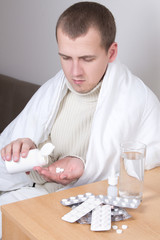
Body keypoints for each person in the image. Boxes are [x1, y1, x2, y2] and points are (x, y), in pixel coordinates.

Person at [0, 1, 160, 238]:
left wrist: (85, 167)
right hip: (30, 194)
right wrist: (24, 150)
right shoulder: (53, 88)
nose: (74, 72)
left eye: (86, 59)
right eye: (66, 57)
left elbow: (150, 160)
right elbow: (19, 149)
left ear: (111, 52)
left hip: (83, 206)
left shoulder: (138, 100)